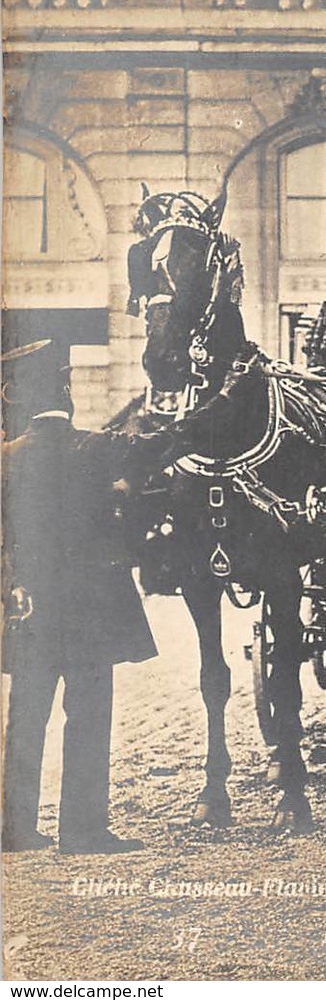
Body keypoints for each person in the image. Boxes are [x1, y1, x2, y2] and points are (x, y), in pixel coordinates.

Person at [2, 342, 160, 854]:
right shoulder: (96, 448)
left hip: (32, 608)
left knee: (26, 713)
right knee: (88, 713)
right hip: (91, 610)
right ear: (65, 392)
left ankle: (16, 829)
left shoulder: (7, 458)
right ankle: (83, 829)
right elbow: (132, 513)